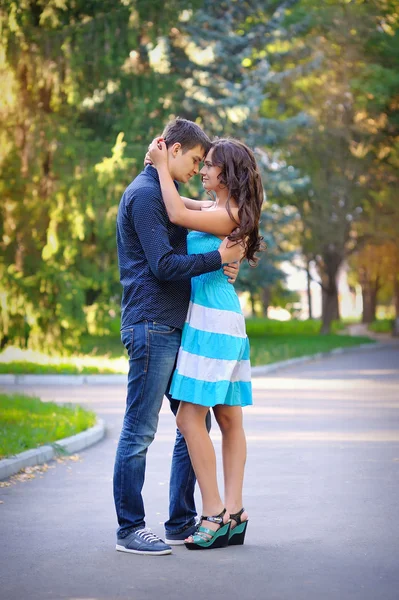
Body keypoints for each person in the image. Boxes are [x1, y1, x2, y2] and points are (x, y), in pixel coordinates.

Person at [113, 118, 243, 556]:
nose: (196, 169)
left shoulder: (162, 189)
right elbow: (164, 266)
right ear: (170, 149)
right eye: (193, 159)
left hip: (176, 325)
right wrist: (218, 258)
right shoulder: (147, 195)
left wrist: (223, 257)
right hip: (151, 325)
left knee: (194, 424)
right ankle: (130, 529)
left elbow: (195, 217)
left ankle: (181, 520)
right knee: (140, 430)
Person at [148, 136, 264, 550]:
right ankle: (235, 512)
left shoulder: (227, 213)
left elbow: (176, 212)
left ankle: (214, 512)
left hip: (211, 322)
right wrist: (164, 172)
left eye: (210, 164)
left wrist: (162, 165)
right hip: (224, 318)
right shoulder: (221, 209)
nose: (202, 170)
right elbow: (182, 206)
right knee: (230, 420)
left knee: (187, 419)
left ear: (228, 174)